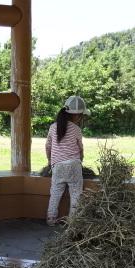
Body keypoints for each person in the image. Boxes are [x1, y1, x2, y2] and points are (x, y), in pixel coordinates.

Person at [45, 96, 90, 226]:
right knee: (76, 193)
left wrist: (50, 161)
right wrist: (80, 160)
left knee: (55, 192)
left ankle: (51, 218)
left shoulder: (53, 127)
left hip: (57, 165)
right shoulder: (76, 129)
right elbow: (80, 149)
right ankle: (72, 221)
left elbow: (48, 146)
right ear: (77, 116)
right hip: (74, 165)